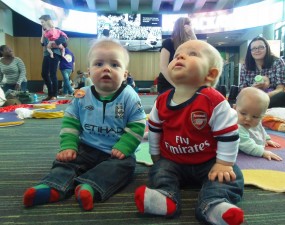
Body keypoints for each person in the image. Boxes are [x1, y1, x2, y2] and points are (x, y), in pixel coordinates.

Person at [23, 39, 146, 211]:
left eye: (115, 65)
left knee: (124, 167)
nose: (106, 68)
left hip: (116, 152)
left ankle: (90, 187)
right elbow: (71, 122)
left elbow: (138, 124)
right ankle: (53, 186)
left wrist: (125, 146)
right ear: (89, 72)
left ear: (125, 74)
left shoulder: (129, 96)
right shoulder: (82, 96)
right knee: (66, 163)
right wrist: (68, 146)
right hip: (86, 148)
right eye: (99, 64)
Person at [134, 40, 244, 225]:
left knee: (232, 176)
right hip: (172, 161)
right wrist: (155, 154)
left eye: (192, 54)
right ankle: (164, 198)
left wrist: (224, 164)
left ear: (210, 74)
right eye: (177, 55)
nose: (180, 56)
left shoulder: (213, 100)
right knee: (159, 172)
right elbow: (154, 129)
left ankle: (214, 205)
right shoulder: (162, 101)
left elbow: (228, 133)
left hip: (209, 162)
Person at [239, 36, 285, 108]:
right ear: (250, 52)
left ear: (267, 48)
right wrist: (252, 88)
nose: (257, 50)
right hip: (252, 97)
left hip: (272, 98)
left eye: (261, 47)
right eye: (254, 48)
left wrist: (264, 97)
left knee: (282, 95)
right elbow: (243, 89)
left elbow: (280, 88)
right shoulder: (245, 66)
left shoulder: (278, 62)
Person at [235, 87, 282, 161]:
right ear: (235, 108)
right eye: (243, 113)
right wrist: (263, 152)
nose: (248, 119)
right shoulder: (236, 128)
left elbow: (261, 129)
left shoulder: (256, 121)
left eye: (255, 116)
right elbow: (246, 144)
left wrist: (266, 139)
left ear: (261, 116)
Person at [157, 17, 197, 94]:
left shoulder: (190, 45)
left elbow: (200, 53)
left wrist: (193, 35)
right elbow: (163, 67)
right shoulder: (168, 42)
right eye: (189, 25)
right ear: (183, 28)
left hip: (184, 81)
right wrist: (176, 85)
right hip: (168, 82)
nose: (191, 28)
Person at [39, 14, 67, 101]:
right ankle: (50, 93)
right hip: (47, 53)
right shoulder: (45, 32)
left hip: (55, 53)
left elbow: (64, 39)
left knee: (52, 73)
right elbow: (43, 44)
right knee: (44, 73)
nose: (42, 24)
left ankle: (54, 94)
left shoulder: (56, 30)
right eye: (41, 22)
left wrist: (54, 42)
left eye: (42, 22)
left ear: (47, 21)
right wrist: (43, 35)